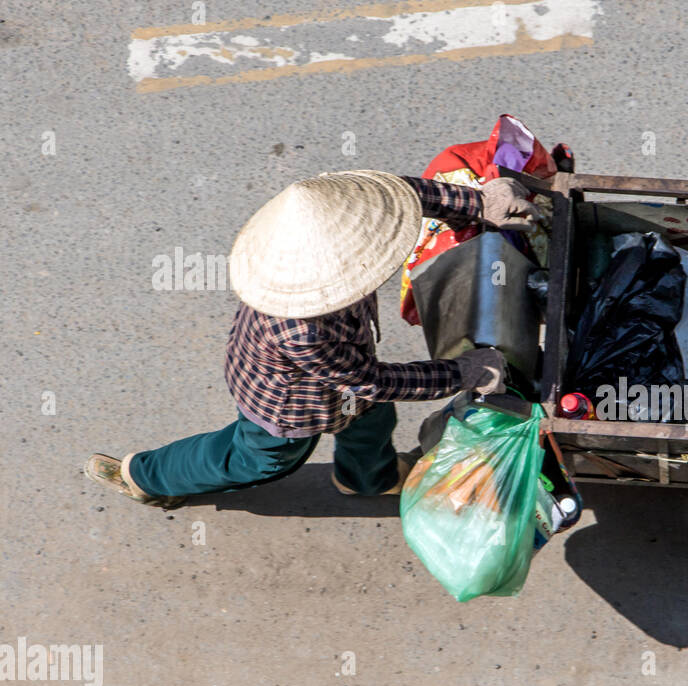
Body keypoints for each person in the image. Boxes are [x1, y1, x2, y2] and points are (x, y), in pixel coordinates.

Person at [85, 170, 542, 508]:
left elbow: (398, 197)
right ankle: (147, 477)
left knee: (370, 423)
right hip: (289, 400)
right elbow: (369, 381)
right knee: (257, 459)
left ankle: (368, 480)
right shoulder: (302, 329)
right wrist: (463, 373)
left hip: (346, 380)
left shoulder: (328, 204)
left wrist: (476, 202)